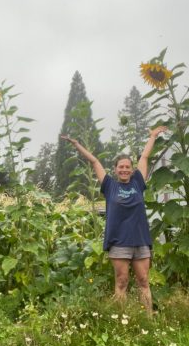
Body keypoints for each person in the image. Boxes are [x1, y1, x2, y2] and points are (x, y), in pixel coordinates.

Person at [60, 126, 167, 313]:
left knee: (143, 281)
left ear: (132, 170)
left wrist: (152, 136)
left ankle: (149, 319)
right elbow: (94, 161)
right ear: (116, 170)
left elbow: (144, 158)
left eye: (127, 167)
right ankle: (122, 320)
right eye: (121, 167)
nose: (124, 169)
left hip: (141, 241)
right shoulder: (109, 185)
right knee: (122, 282)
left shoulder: (138, 182)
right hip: (119, 243)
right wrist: (77, 144)